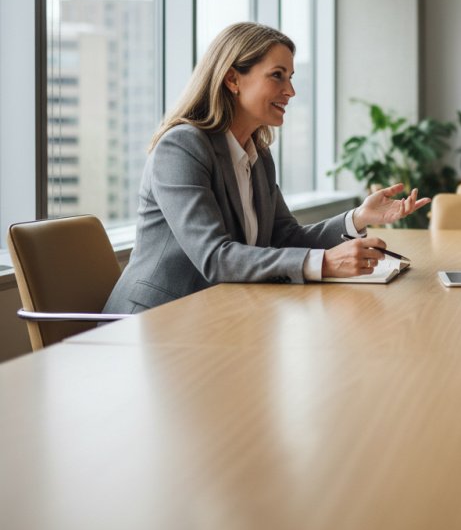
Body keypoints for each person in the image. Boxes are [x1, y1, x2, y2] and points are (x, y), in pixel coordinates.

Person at [104, 22, 429, 315]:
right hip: (152, 321)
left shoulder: (257, 154)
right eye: (277, 75)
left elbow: (284, 236)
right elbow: (214, 257)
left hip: (216, 314)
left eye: (290, 77)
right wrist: (326, 263)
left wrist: (358, 218)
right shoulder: (182, 147)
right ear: (232, 79)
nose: (290, 91)